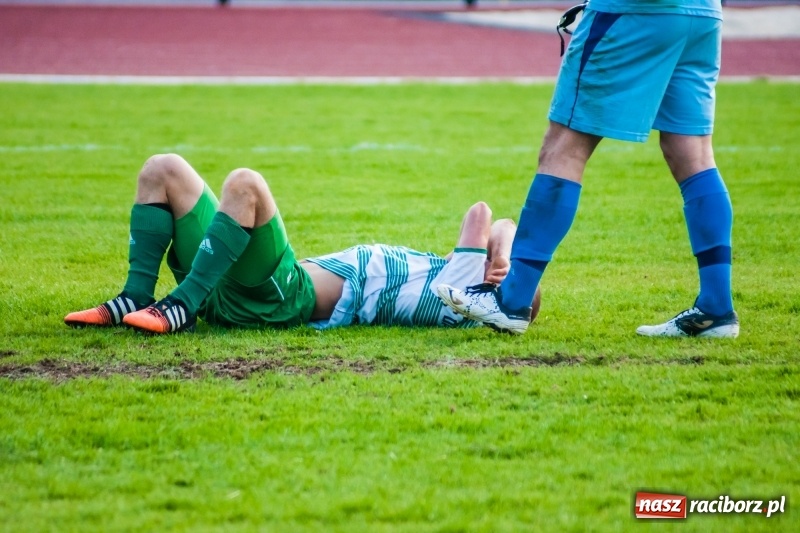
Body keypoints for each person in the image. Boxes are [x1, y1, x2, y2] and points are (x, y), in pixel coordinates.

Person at [438, 0, 738, 338]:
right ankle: (716, 307)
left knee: (563, 148)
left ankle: (511, 300)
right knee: (694, 154)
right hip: (703, 13)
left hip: (632, 13)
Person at [64, 154, 540, 334]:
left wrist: (500, 262)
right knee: (161, 170)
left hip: (278, 295)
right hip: (232, 281)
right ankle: (137, 295)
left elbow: (484, 215)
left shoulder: (457, 300)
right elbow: (506, 223)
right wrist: (504, 257)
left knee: (246, 185)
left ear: (495, 289)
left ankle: (183, 305)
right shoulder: (455, 278)